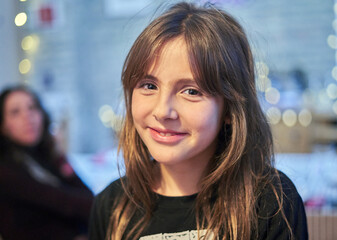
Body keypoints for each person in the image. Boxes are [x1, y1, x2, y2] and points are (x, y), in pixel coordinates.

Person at [89, 2, 308, 240]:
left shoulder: (269, 201)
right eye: (149, 86)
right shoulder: (112, 207)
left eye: (191, 91)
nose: (163, 111)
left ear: (229, 109)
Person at [0, 85, 94, 240]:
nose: (27, 117)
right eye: (15, 112)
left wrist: (58, 156)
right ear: (3, 126)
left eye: (32, 107)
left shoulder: (44, 156)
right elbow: (63, 202)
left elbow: (85, 194)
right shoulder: (5, 169)